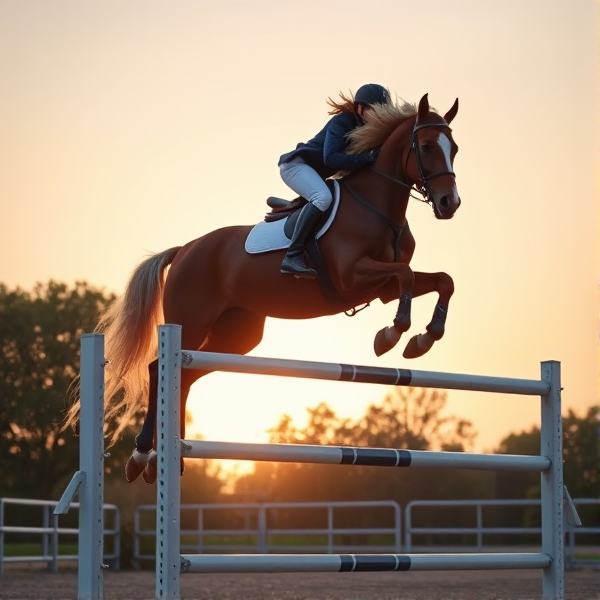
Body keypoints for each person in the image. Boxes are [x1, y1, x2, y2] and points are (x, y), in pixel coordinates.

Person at [278, 83, 391, 278]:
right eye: (375, 110)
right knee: (323, 198)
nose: (379, 116)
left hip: (312, 171)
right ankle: (292, 255)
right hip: (295, 166)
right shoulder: (344, 121)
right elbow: (330, 158)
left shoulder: (366, 130)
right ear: (360, 108)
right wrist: (368, 158)